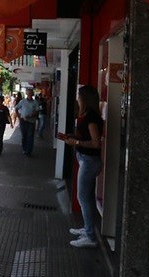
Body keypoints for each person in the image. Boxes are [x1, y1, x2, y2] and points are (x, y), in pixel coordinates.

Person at [63, 85, 103, 248]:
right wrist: (74, 138)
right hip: (86, 160)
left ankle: (90, 236)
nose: (77, 98)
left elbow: (95, 143)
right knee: (87, 197)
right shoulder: (88, 115)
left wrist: (77, 142)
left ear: (85, 98)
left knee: (83, 197)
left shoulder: (91, 117)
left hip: (89, 161)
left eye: (79, 96)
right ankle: (88, 229)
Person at [15, 89, 39, 156]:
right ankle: (24, 149)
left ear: (32, 94)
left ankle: (29, 151)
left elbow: (37, 111)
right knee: (24, 136)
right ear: (26, 94)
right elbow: (16, 108)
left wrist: (31, 115)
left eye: (31, 93)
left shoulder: (35, 102)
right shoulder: (22, 101)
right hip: (23, 121)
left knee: (30, 136)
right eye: (28, 93)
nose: (29, 95)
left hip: (31, 121)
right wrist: (19, 117)